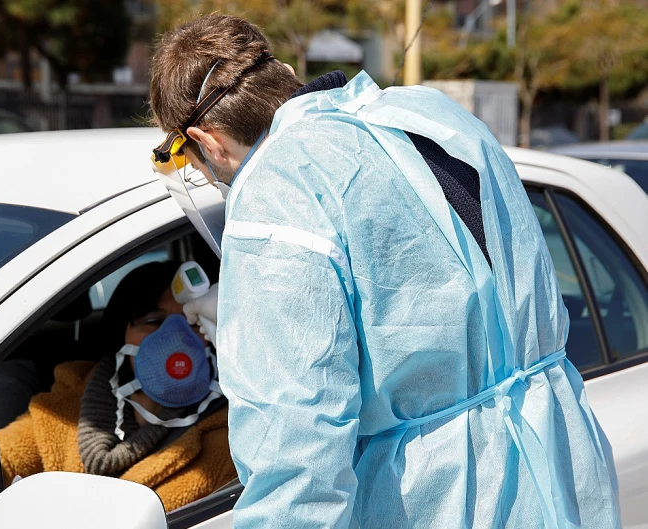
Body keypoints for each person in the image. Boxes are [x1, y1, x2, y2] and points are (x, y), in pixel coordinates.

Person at [149, 14, 621, 529]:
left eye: (192, 163)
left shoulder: (279, 190)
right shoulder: (428, 113)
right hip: (561, 467)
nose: (209, 176)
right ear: (281, 71)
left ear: (207, 141)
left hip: (441, 502)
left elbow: (294, 450)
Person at [0, 261, 235, 511]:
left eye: (193, 322)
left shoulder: (234, 436)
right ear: (121, 335)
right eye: (153, 320)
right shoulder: (63, 412)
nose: (175, 337)